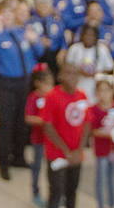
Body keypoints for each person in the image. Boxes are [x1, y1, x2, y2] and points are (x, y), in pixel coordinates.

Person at [0, 6, 44, 179]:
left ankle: (18, 157)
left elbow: (39, 52)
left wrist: (35, 41)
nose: (8, 16)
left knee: (21, 122)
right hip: (5, 84)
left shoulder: (22, 33)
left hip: (24, 83)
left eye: (10, 13)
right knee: (6, 124)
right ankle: (3, 163)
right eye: (4, 14)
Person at [41, 64, 90, 208]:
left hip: (76, 155)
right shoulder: (52, 96)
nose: (72, 77)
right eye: (68, 73)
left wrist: (79, 151)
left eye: (75, 74)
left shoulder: (82, 95)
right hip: (57, 155)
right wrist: (66, 152)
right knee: (56, 192)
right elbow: (47, 126)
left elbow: (87, 123)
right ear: (60, 76)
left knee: (72, 191)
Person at [89, 80, 114, 208]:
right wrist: (108, 134)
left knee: (112, 179)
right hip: (102, 150)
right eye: (101, 90)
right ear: (97, 93)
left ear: (112, 91)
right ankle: (100, 204)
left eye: (107, 90)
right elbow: (92, 130)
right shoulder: (94, 109)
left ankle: (112, 204)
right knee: (100, 180)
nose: (104, 94)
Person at [25, 67, 55, 208]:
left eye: (51, 84)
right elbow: (28, 118)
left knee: (52, 169)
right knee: (37, 167)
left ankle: (53, 194)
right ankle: (35, 192)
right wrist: (43, 121)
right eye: (47, 84)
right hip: (38, 140)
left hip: (52, 141)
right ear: (38, 83)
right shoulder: (34, 98)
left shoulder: (53, 96)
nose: (50, 87)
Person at [65, 25, 114, 104]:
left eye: (91, 35)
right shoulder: (74, 48)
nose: (88, 37)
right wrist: (79, 70)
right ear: (82, 35)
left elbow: (110, 68)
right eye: (86, 34)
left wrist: (96, 72)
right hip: (78, 85)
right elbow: (67, 67)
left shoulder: (102, 49)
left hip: (96, 88)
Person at [33, 0, 68, 77]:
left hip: (55, 56)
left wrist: (63, 50)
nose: (43, 8)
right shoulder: (32, 22)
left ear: (51, 7)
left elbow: (63, 39)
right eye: (41, 5)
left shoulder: (57, 21)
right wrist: (38, 41)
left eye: (46, 5)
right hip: (39, 56)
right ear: (36, 7)